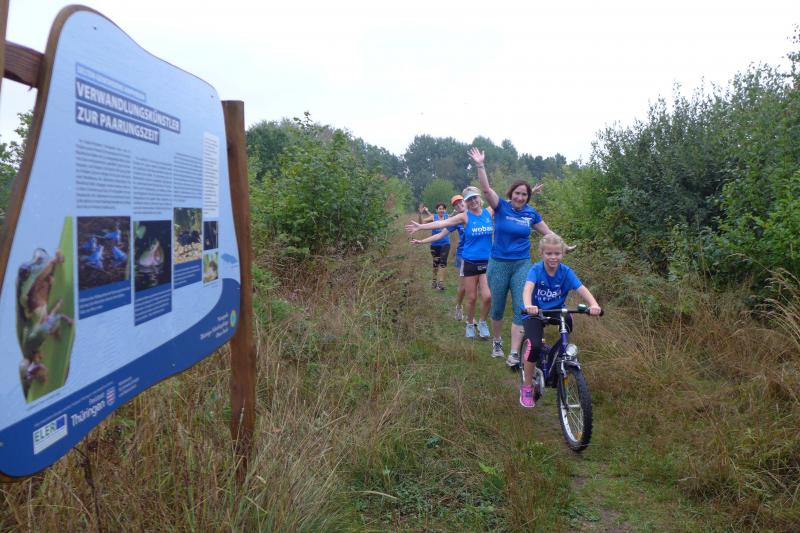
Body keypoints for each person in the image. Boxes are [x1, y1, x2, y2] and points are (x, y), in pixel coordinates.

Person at [468, 146, 562, 367]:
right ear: (511, 194)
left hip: (522, 264)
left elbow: (548, 233)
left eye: (524, 194)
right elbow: (486, 189)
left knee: (523, 306)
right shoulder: (501, 207)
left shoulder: (531, 213)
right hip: (499, 264)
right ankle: (497, 342)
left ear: (528, 197)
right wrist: (480, 165)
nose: (520, 197)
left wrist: (563, 245)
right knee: (498, 305)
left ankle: (514, 353)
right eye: (517, 193)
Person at [518, 234, 601, 408]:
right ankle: (527, 386)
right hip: (534, 312)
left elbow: (581, 289)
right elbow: (527, 289)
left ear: (562, 253)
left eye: (557, 253)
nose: (553, 257)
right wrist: (528, 305)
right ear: (542, 253)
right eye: (549, 253)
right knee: (534, 345)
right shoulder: (536, 270)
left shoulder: (566, 272)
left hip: (557, 310)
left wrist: (593, 304)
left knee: (568, 324)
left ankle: (554, 356)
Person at [407, 186, 492, 340]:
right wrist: (421, 230)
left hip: (486, 260)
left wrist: (528, 192)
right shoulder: (461, 218)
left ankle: (481, 322)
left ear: (479, 198)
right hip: (465, 258)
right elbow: (440, 227)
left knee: (487, 296)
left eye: (463, 202)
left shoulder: (487, 212)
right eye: (457, 204)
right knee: (467, 293)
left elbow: (506, 204)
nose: (461, 205)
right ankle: (463, 312)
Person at [428, 203, 451, 290]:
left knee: (443, 262)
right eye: (439, 209)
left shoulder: (448, 217)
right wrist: (420, 213)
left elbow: (458, 221)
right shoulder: (433, 217)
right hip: (435, 244)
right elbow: (422, 222)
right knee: (435, 263)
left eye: (443, 209)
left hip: (445, 243)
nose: (441, 210)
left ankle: (441, 283)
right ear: (437, 210)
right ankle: (434, 281)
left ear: (445, 210)